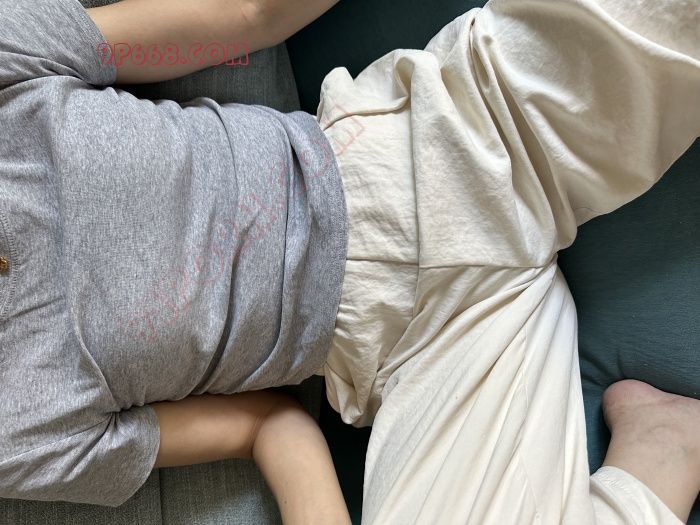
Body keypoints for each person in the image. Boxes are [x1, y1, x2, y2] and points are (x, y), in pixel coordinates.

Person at [0, 0, 697, 524]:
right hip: (418, 352)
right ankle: (665, 452)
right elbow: (270, 429)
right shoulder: (13, 439)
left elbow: (246, 15)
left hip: (435, 151)